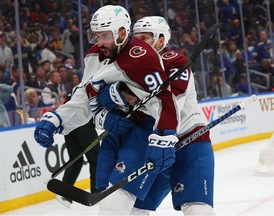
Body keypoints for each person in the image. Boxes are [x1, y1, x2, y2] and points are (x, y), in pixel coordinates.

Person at [34, 5, 179, 215]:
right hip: (116, 131)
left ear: (122, 32)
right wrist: (57, 119)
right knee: (121, 204)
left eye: (104, 35)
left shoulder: (143, 59)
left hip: (143, 129)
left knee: (116, 204)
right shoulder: (96, 54)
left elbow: (164, 98)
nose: (99, 42)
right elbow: (84, 94)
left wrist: (164, 135)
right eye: (96, 35)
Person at [95, 16, 215, 215]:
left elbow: (169, 103)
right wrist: (114, 98)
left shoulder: (176, 61)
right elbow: (103, 95)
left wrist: (123, 95)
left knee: (196, 209)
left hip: (189, 140)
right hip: (150, 142)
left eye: (145, 38)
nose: (139, 43)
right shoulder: (129, 64)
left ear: (161, 40)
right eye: (137, 38)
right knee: (131, 207)